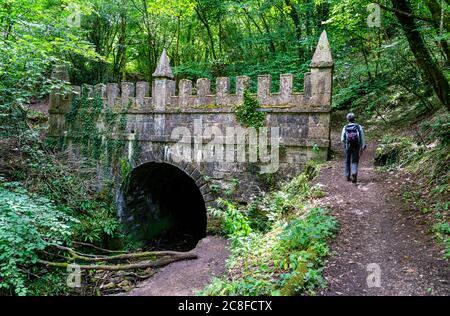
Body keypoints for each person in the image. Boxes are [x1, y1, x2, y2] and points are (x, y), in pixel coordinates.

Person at [341, 113, 367, 184]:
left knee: (347, 161)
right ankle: (354, 173)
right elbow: (362, 137)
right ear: (354, 119)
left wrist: (346, 143)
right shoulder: (358, 127)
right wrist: (362, 146)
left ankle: (347, 176)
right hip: (356, 146)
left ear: (347, 120)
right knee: (354, 160)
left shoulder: (345, 127)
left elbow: (342, 139)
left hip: (348, 146)